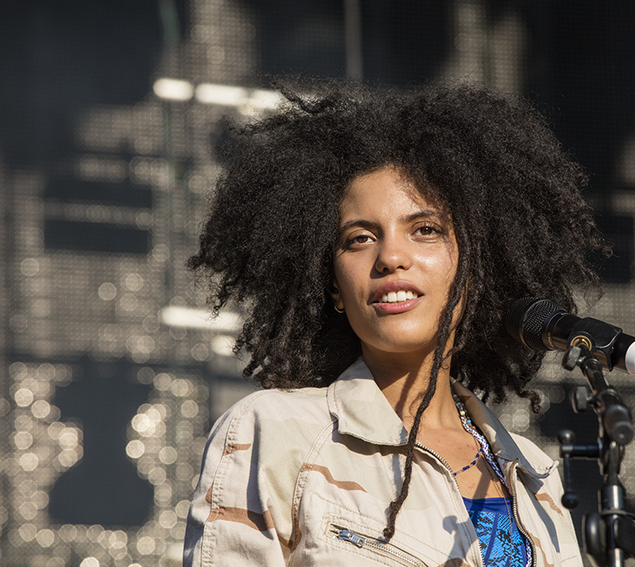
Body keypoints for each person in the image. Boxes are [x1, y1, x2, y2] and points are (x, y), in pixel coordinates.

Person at [183, 79, 605, 567]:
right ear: (335, 288)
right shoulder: (276, 432)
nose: (390, 257)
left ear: (479, 268)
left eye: (425, 230)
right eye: (359, 238)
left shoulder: (534, 473)